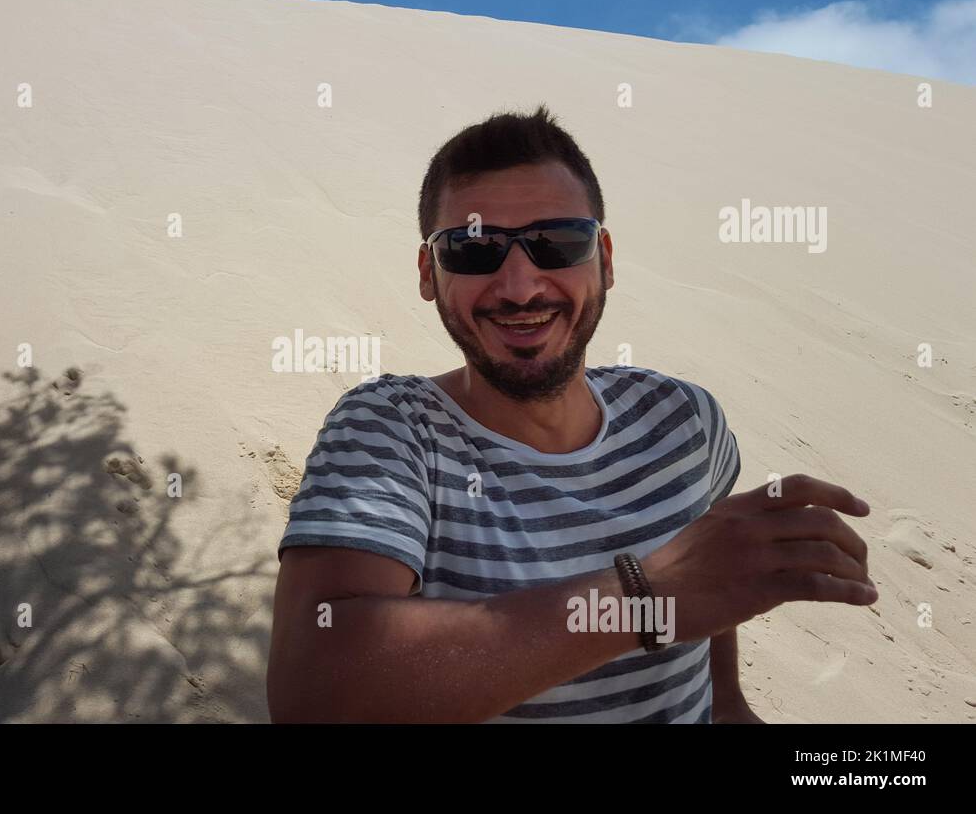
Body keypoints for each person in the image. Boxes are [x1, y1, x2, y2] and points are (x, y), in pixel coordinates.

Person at [266, 105, 876, 723]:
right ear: (429, 272)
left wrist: (728, 705)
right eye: (472, 250)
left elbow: (707, 574)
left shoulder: (684, 420)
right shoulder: (390, 432)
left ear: (605, 259)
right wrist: (644, 596)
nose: (520, 287)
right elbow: (312, 692)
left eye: (558, 242)